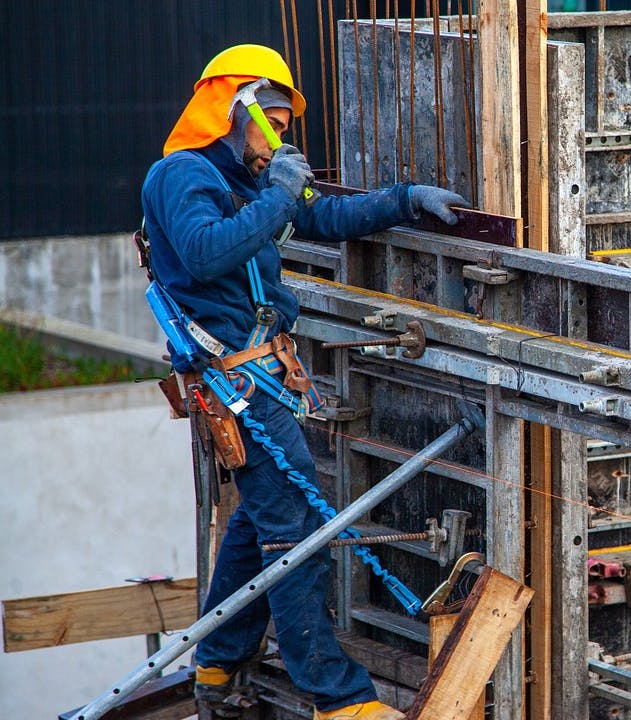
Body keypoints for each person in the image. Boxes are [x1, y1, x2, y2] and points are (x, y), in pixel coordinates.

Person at [141, 44, 466, 720]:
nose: (282, 140)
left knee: (262, 518)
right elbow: (204, 253)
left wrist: (406, 199)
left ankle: (218, 657)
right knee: (297, 529)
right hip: (232, 382)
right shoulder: (182, 175)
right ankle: (335, 696)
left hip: (259, 374)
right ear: (238, 109)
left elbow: (324, 216)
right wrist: (280, 194)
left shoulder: (257, 179)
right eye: (276, 124)